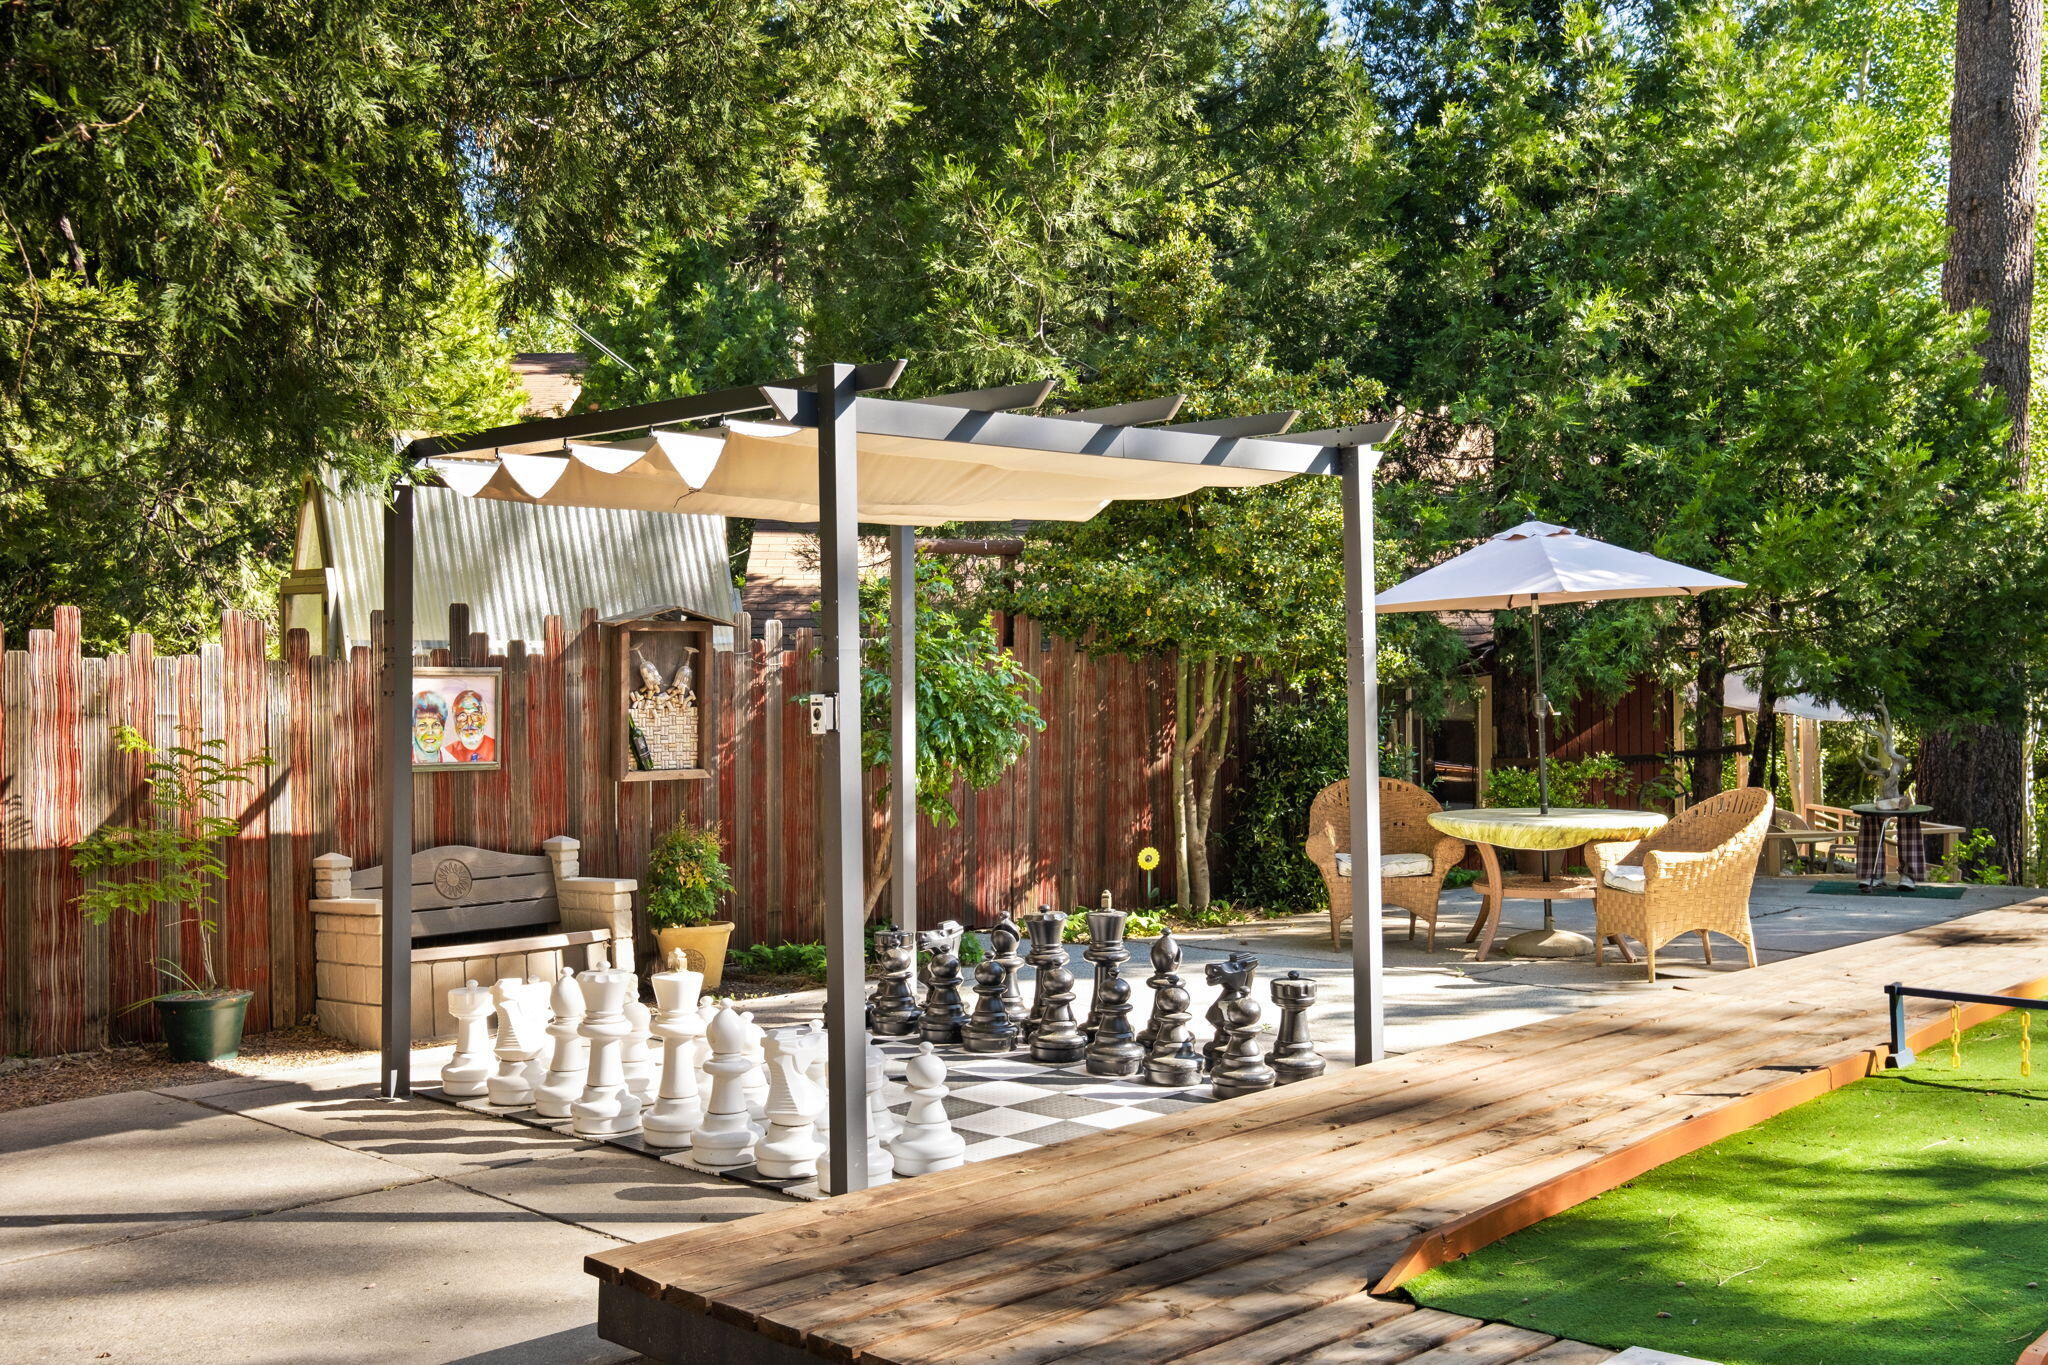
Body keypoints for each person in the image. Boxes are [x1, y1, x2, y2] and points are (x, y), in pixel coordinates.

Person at [444, 688, 496, 763]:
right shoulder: (447, 754)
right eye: (462, 716)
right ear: (455, 720)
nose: (469, 722)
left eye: (475, 715)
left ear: (485, 718)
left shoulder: (497, 749)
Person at [412, 691, 449, 764]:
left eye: (436, 725)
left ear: (443, 728)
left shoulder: (450, 759)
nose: (430, 732)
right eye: (422, 725)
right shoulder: (402, 758)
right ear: (414, 729)